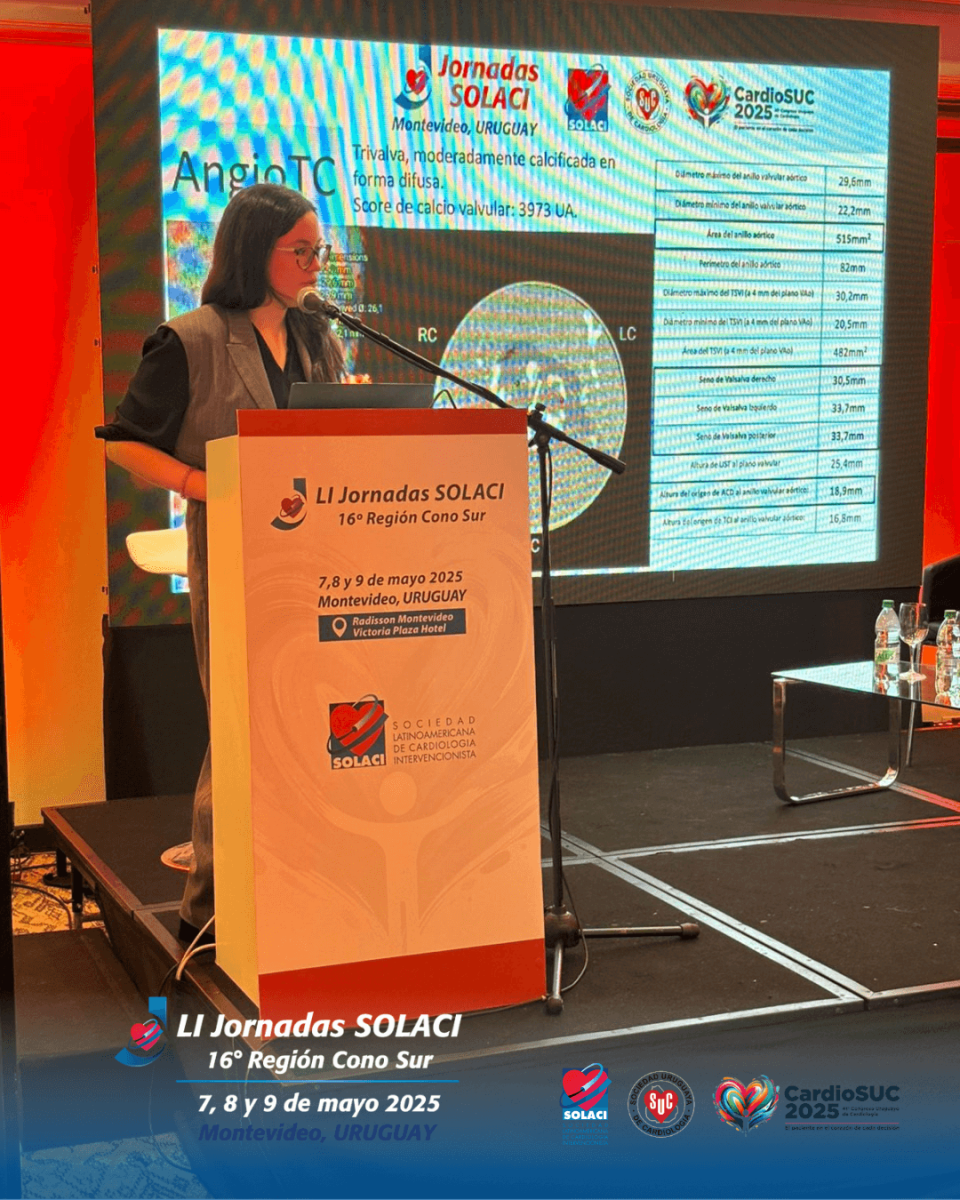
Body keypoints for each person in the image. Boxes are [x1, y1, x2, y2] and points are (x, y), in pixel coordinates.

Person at [98, 183, 347, 944]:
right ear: (254, 251)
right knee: (244, 729)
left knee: (314, 725)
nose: (314, 264)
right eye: (300, 251)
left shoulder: (317, 336)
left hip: (323, 556)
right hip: (238, 554)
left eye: (318, 250)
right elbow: (122, 442)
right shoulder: (191, 339)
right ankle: (210, 911)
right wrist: (203, 484)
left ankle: (310, 889)